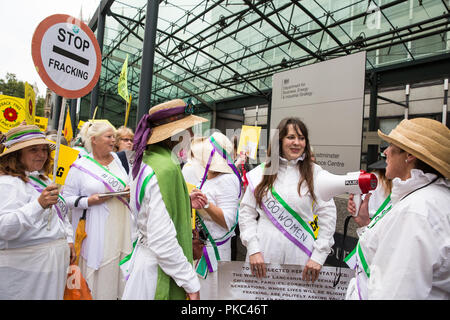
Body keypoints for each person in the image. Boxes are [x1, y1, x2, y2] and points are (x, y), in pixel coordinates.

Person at [345, 118, 449, 299]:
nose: (385, 152)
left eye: (390, 146)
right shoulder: (426, 197)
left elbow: (396, 291)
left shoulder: (416, 211)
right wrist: (364, 223)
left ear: (409, 156)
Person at [122, 98, 208, 300]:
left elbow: (148, 208)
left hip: (144, 263)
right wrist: (190, 281)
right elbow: (162, 241)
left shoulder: (146, 160)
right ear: (176, 136)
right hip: (157, 272)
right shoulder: (167, 168)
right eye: (189, 130)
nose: (193, 136)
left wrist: (183, 200)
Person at [239, 117, 336, 282]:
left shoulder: (316, 173)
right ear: (280, 140)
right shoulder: (261, 173)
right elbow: (246, 213)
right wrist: (253, 250)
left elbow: (328, 215)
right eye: (291, 137)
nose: (297, 143)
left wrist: (318, 257)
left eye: (301, 138)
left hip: (301, 257)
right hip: (262, 256)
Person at [0, 124, 75, 299]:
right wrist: (38, 205)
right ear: (17, 154)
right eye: (33, 150)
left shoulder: (44, 178)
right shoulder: (7, 183)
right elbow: (4, 228)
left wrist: (68, 238)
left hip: (50, 267)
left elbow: (60, 215)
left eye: (44, 149)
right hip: (25, 270)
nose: (41, 155)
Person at [62, 121, 132, 300]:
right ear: (94, 140)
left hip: (122, 226)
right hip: (95, 228)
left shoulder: (120, 160)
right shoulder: (80, 166)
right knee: (100, 271)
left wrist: (130, 192)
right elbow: (66, 200)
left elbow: (130, 184)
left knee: (121, 270)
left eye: (114, 137)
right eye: (108, 136)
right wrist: (88, 201)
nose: (113, 140)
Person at [183, 132, 241, 299]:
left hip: (215, 252)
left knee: (212, 294)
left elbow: (228, 221)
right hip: (201, 248)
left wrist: (206, 204)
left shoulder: (227, 179)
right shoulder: (208, 176)